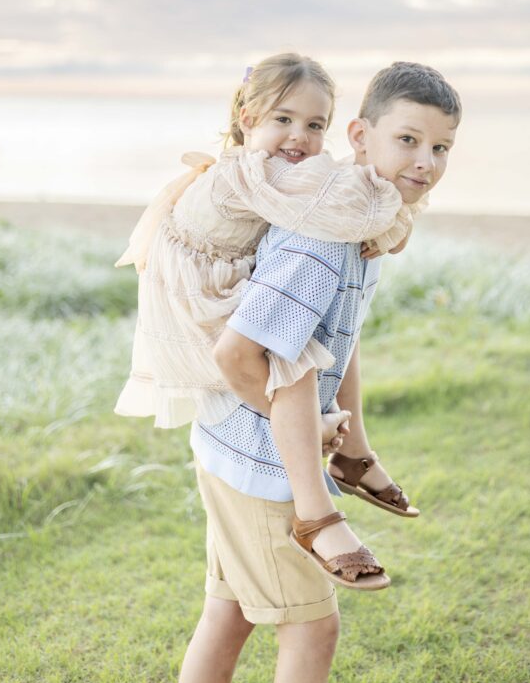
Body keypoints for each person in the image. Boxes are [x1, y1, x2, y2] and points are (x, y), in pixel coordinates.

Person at [176, 60, 461, 683]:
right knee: (312, 630)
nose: (426, 161)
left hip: (235, 447)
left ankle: (353, 464)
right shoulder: (325, 238)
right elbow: (237, 355)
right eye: (408, 140)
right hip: (264, 463)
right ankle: (321, 513)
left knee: (229, 614)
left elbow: (340, 338)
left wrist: (352, 440)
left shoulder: (362, 222)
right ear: (360, 137)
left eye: (441, 147)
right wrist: (314, 426)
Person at [114, 53, 424, 588]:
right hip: (198, 304)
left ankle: (352, 453)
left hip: (217, 284)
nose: (298, 137)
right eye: (283, 119)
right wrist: (387, 206)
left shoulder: (269, 168)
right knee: (292, 359)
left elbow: (326, 194)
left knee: (331, 328)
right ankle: (315, 512)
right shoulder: (252, 172)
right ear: (247, 119)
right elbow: (331, 207)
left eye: (314, 125)